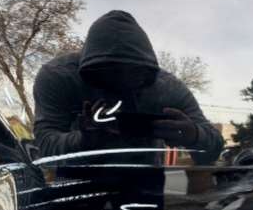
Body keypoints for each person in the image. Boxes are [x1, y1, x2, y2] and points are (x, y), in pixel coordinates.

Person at [32, 10, 223, 164]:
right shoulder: (59, 77)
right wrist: (84, 140)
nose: (121, 82)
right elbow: (45, 146)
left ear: (148, 72)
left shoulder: (168, 87)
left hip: (143, 180)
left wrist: (193, 135)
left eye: (132, 74)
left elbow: (213, 148)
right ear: (89, 70)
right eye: (111, 74)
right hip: (78, 180)